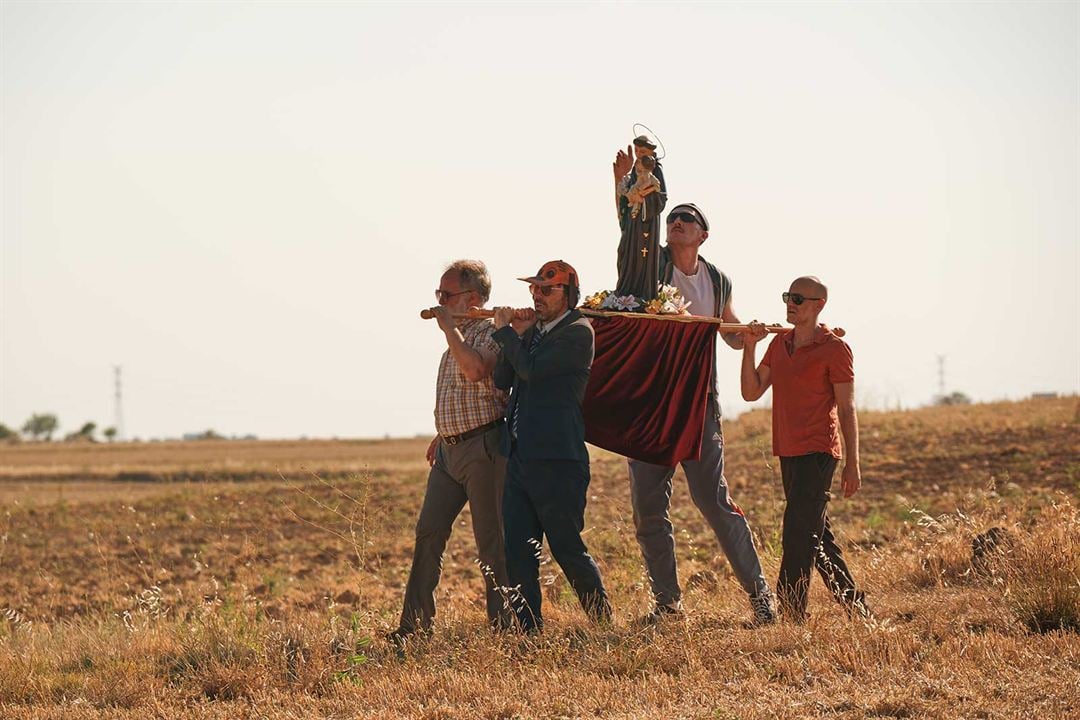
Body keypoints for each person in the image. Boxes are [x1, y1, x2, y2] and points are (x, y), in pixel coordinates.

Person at [626, 202, 778, 626]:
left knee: (714, 500)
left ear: (703, 236)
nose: (676, 222)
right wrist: (631, 195)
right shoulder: (648, 266)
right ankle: (668, 605)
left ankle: (761, 597)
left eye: (686, 219)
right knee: (649, 507)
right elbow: (630, 237)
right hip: (649, 404)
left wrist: (749, 336)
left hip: (698, 401)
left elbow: (728, 332)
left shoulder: (717, 279)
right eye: (672, 217)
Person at [389, 260, 511, 644]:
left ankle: (504, 628)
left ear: (473, 298)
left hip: (483, 449)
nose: (440, 301)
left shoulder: (492, 335)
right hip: (449, 452)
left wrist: (449, 328)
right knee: (428, 532)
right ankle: (414, 627)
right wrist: (442, 435)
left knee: (491, 541)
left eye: (447, 295)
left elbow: (476, 372)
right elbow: (460, 395)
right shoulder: (456, 337)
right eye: (438, 295)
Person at [740, 277, 870, 622]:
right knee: (817, 535)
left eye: (797, 298)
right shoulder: (779, 343)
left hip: (819, 450)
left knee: (797, 533)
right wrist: (751, 346)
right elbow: (751, 393)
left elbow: (847, 409)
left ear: (818, 305)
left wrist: (853, 464)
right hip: (788, 449)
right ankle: (857, 609)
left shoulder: (835, 349)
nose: (790, 303)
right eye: (788, 297)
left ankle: (792, 614)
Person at [491, 260, 611, 632]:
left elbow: (531, 371)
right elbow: (503, 376)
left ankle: (602, 622)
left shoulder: (577, 333)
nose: (536, 296)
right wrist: (518, 333)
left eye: (546, 290)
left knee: (565, 546)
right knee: (518, 551)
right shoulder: (536, 333)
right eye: (534, 290)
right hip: (521, 455)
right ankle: (529, 631)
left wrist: (508, 334)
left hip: (558, 459)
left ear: (568, 294)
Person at [613, 135, 668, 301]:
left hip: (646, 224)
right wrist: (620, 179)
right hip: (632, 224)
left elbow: (661, 197)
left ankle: (641, 294)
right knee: (624, 251)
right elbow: (624, 200)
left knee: (641, 257)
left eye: (642, 151)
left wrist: (642, 199)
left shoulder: (654, 169)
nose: (638, 155)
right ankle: (625, 291)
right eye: (637, 151)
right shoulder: (636, 169)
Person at [624, 154, 661, 220]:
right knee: (633, 193)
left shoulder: (646, 173)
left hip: (645, 188)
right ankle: (634, 206)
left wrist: (641, 188)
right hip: (639, 188)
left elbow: (648, 182)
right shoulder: (644, 172)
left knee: (635, 194)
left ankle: (635, 208)